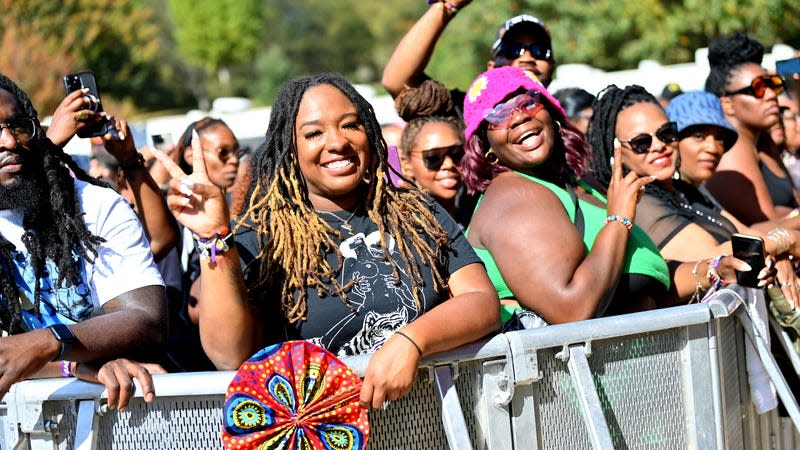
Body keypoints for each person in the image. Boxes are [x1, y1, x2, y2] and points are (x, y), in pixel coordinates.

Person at [152, 72, 500, 408]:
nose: (337, 142)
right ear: (290, 148)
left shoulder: (416, 211)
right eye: (314, 133)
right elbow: (229, 355)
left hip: (433, 427)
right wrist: (216, 239)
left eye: (350, 124)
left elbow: (482, 302)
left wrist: (412, 340)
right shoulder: (261, 238)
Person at [459, 67, 749, 328]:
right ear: (486, 147)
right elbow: (571, 308)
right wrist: (618, 220)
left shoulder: (575, 184)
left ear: (551, 113)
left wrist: (714, 269)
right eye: (497, 114)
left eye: (528, 101)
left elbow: (645, 280)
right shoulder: (514, 195)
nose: (518, 116)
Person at [0, 73, 167, 410]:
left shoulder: (95, 205)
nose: (8, 141)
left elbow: (146, 319)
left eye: (17, 125)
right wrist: (74, 365)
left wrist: (50, 342)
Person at [585, 85, 797, 304]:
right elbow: (714, 254)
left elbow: (746, 235)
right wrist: (787, 240)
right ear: (615, 153)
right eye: (642, 143)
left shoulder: (683, 191)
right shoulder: (640, 203)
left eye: (666, 133)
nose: (659, 146)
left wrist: (775, 250)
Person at [382, 1, 556, 111]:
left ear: (552, 66)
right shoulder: (469, 113)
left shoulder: (570, 121)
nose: (527, 58)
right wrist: (447, 6)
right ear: (491, 67)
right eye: (512, 49)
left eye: (539, 50)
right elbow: (398, 83)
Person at [704, 33, 800, 227]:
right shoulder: (732, 151)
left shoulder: (762, 139)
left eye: (772, 84)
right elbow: (769, 223)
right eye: (758, 88)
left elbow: (794, 202)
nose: (771, 95)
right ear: (727, 103)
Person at [394, 79, 470, 226]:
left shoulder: (475, 211)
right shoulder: (405, 228)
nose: (449, 164)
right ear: (406, 164)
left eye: (456, 154)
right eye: (433, 157)